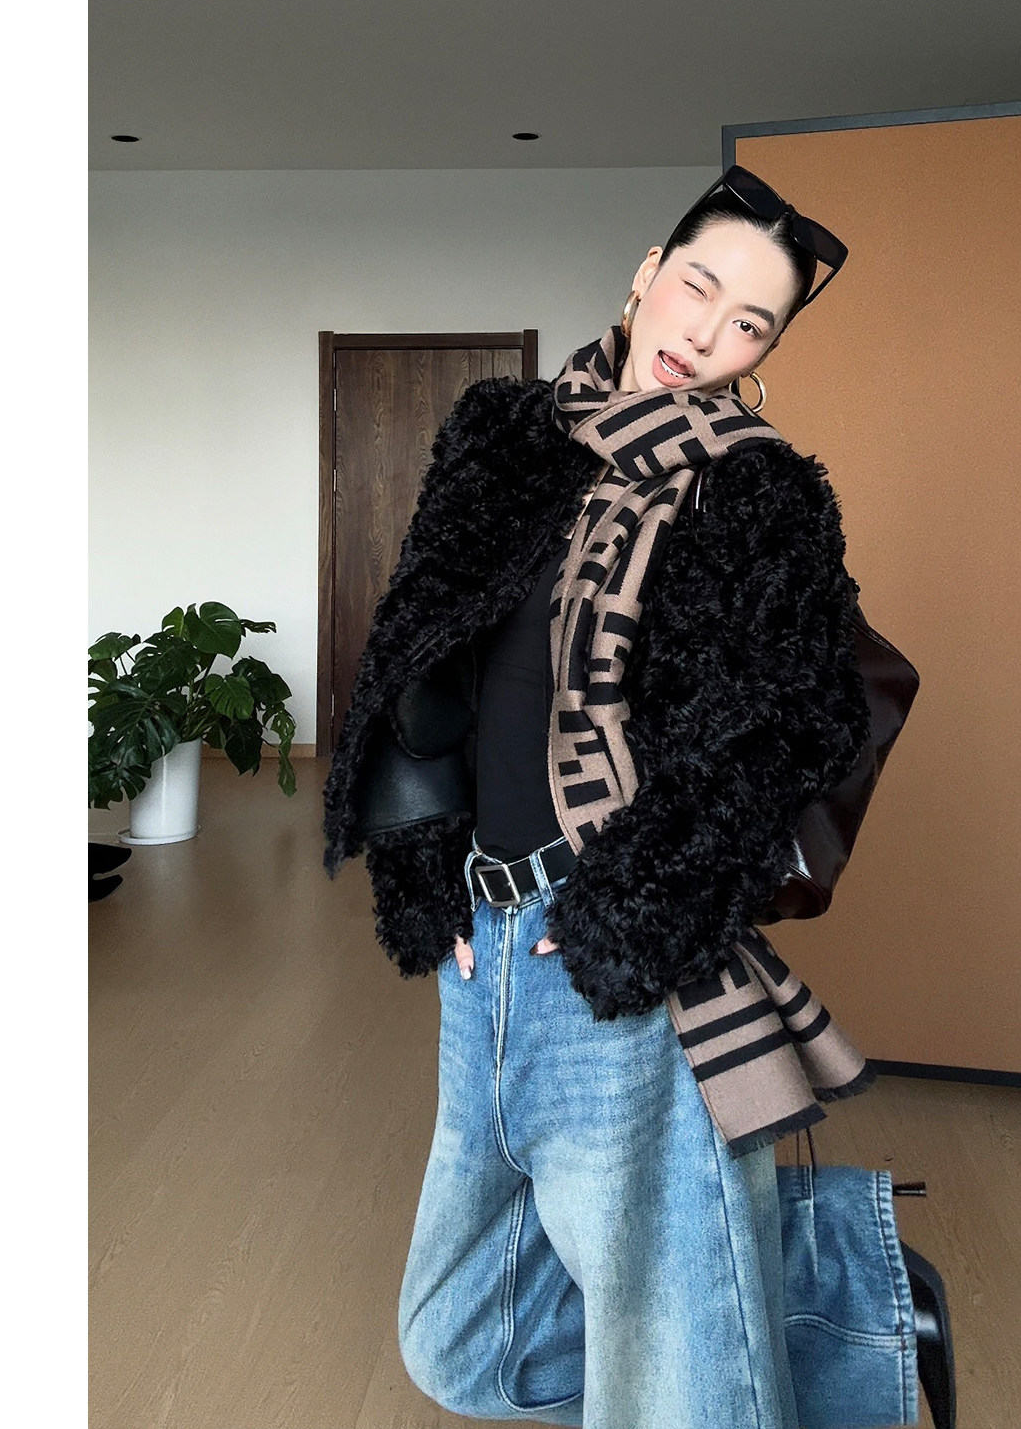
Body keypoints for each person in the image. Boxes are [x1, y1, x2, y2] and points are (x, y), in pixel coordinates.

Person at [323, 167, 875, 1429]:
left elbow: (795, 726)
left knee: (676, 1387)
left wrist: (637, 910)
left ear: (766, 353)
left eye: (751, 323)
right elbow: (416, 649)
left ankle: (757, 1327)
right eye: (699, 285)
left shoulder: (757, 489)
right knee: (461, 1343)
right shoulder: (506, 436)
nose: (707, 331)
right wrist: (422, 868)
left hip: (613, 944)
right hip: (485, 943)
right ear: (645, 274)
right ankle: (821, 1307)